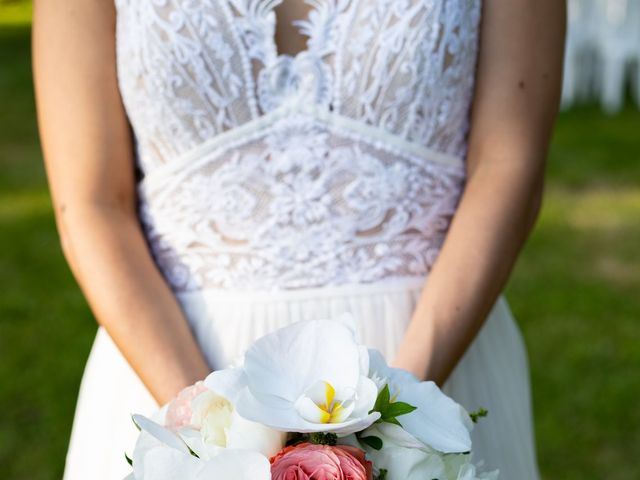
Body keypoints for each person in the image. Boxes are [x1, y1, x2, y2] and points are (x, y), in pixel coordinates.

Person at [32, 0, 566, 478]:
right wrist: (208, 442)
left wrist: (395, 432)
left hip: (434, 350)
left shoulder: (415, 407)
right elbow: (92, 202)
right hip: (170, 367)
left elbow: (508, 164)